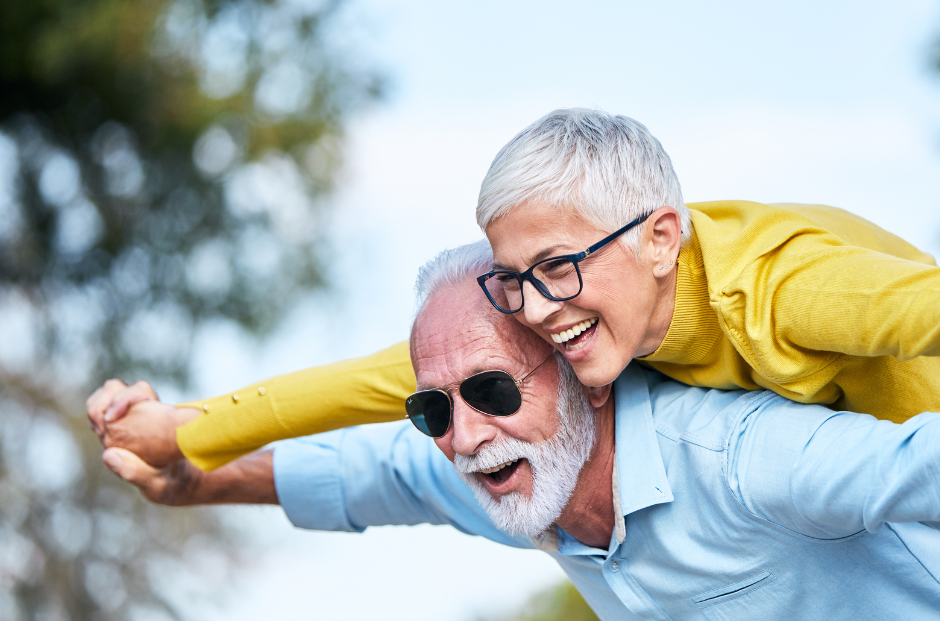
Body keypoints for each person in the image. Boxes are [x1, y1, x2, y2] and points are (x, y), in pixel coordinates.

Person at [101, 242, 940, 621]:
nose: (464, 435)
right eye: (433, 406)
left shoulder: (738, 456)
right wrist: (193, 478)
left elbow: (919, 464)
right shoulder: (510, 473)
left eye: (493, 390)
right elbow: (377, 473)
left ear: (586, 374)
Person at [88, 108, 940, 472]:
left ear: (660, 238)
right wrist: (183, 430)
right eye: (512, 279)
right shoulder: (569, 313)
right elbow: (377, 381)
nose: (535, 308)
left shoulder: (783, 288)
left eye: (559, 267)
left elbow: (917, 309)